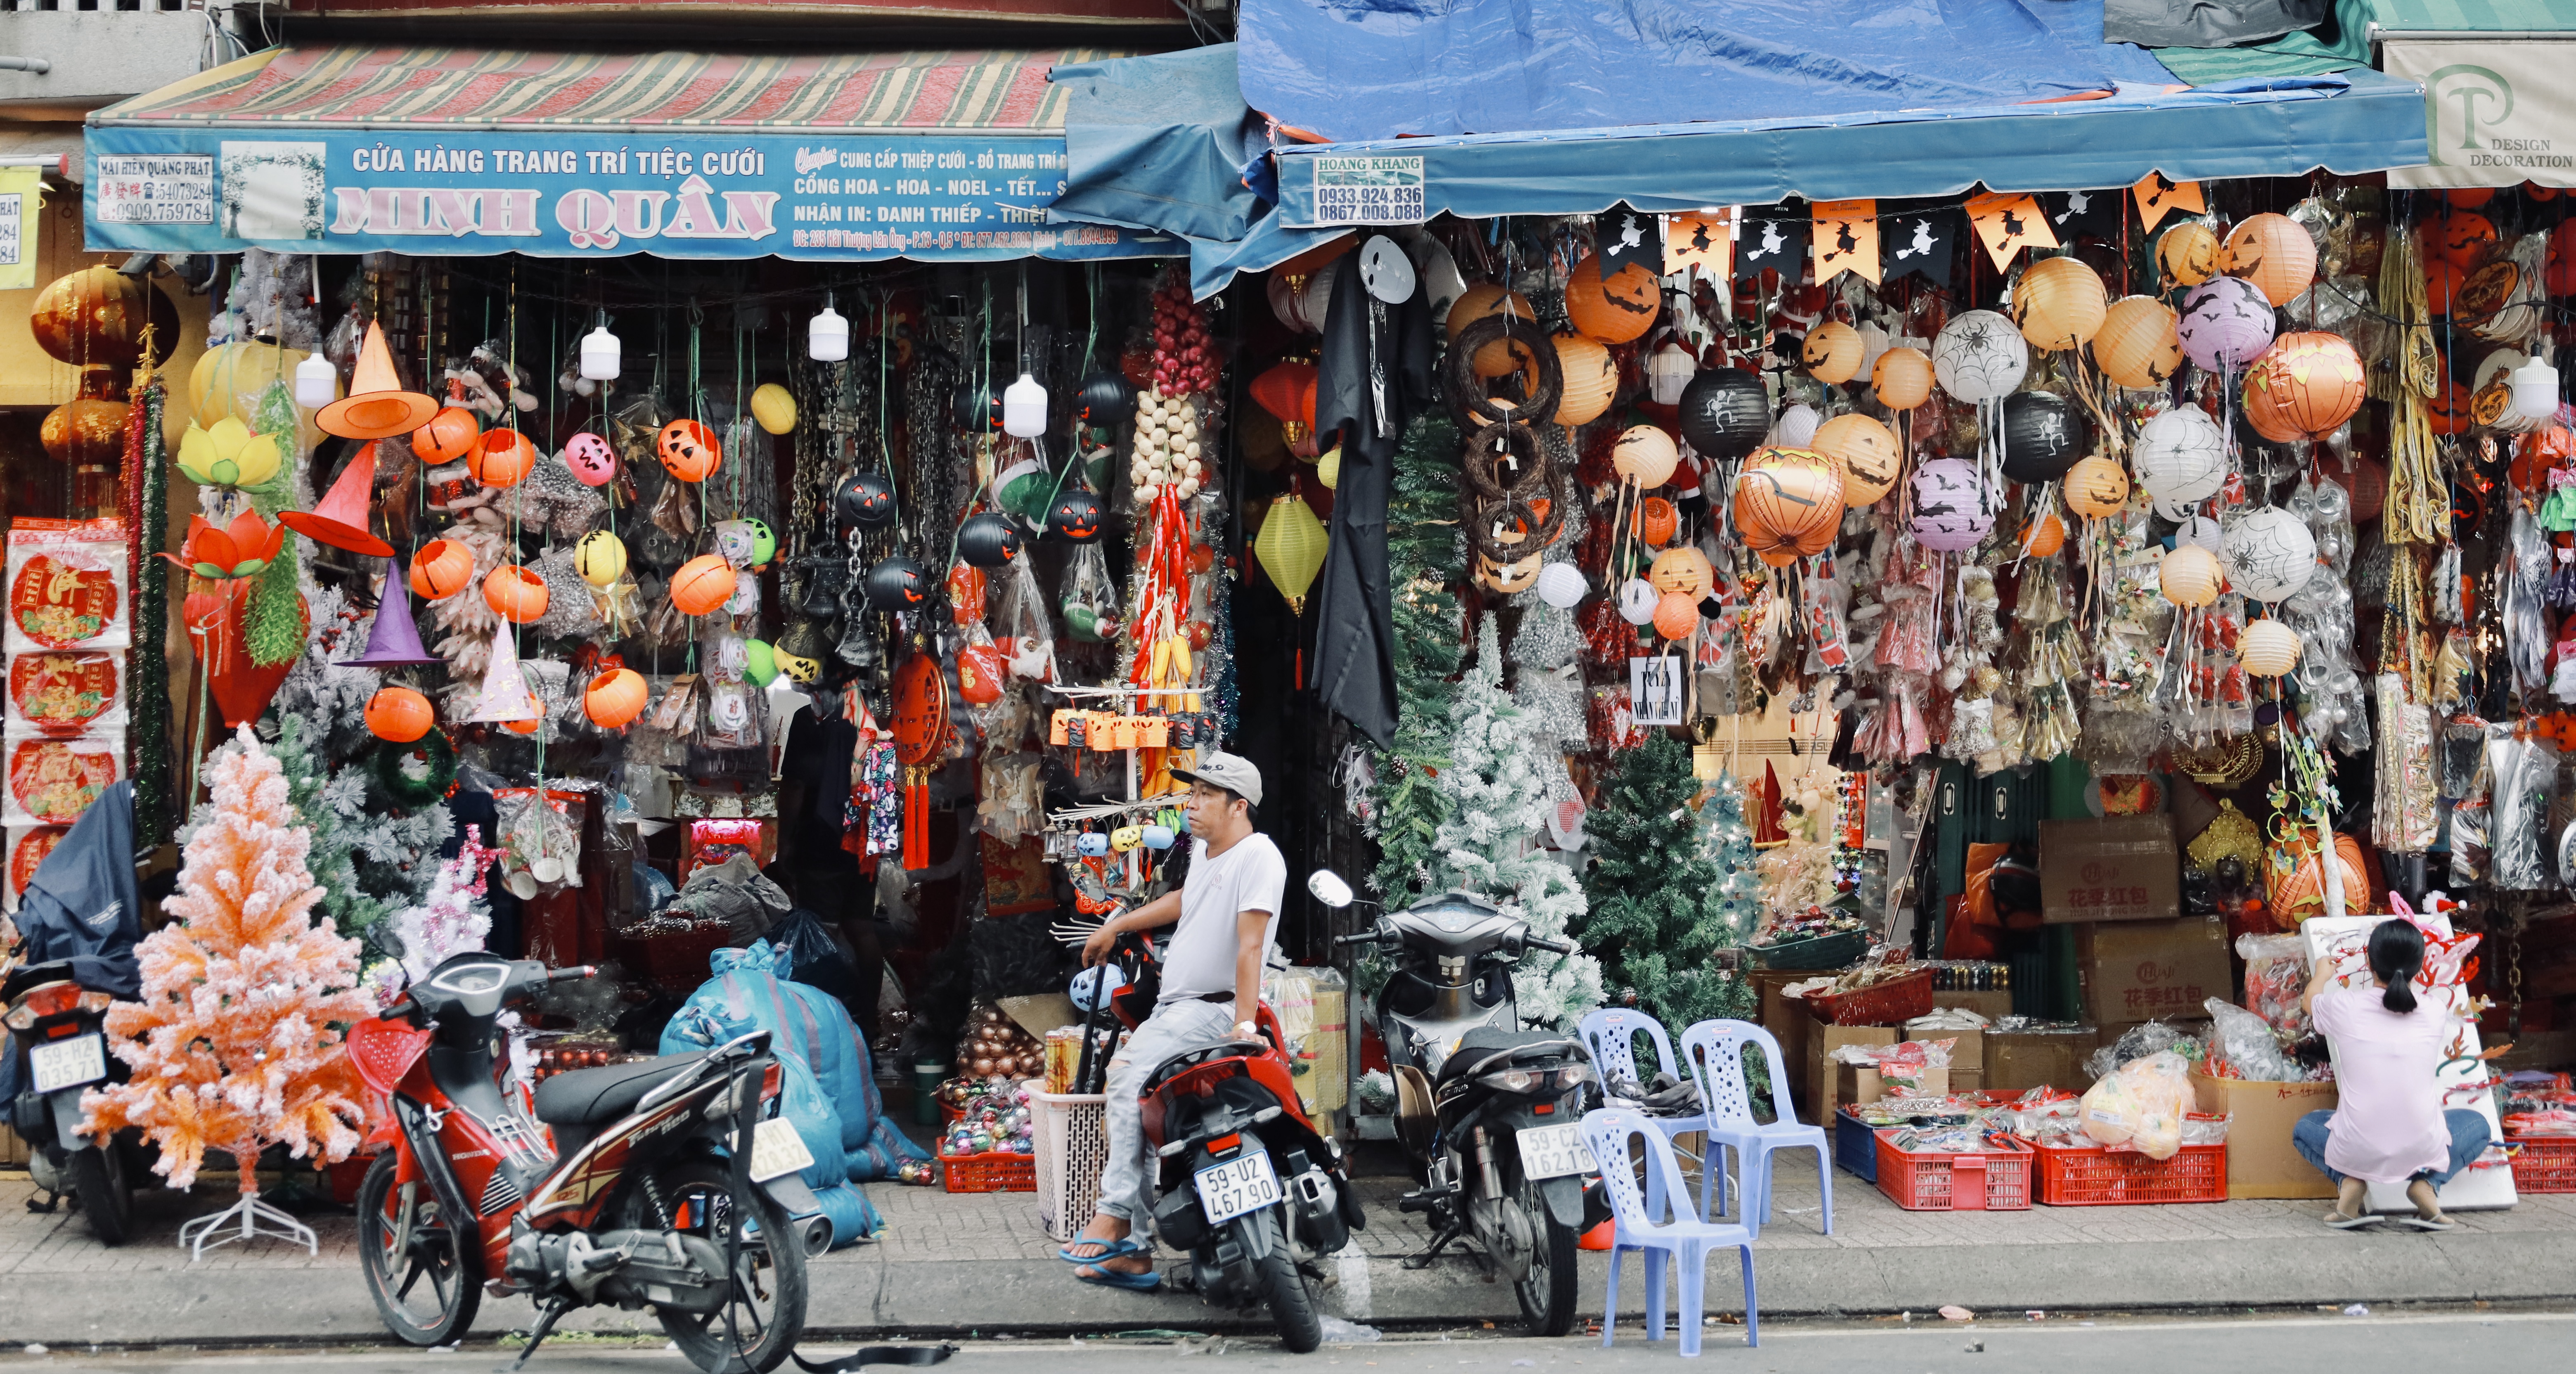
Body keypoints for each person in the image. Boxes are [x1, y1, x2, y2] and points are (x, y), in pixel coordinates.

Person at [1060, 752, 1286, 1292]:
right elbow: (1187, 901)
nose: (1193, 803)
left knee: (1123, 1078)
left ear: (1239, 806)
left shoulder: (1258, 855)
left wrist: (1243, 1023)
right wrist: (1119, 925)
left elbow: (1251, 945)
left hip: (1211, 1010)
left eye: (1206, 795)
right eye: (1192, 792)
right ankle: (1134, 1253)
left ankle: (1115, 1217)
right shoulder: (1211, 853)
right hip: (1178, 1008)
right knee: (1140, 1106)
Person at [2294, 918, 2491, 1231]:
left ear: (2369, 961)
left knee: (2305, 1127)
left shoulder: (2345, 1006)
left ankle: (2350, 1181)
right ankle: (2427, 1185)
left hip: (2356, 1147)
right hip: (2423, 1147)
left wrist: (2321, 974)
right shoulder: (2434, 1011)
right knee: (2478, 1126)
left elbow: (2309, 1002)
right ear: (2421, 964)